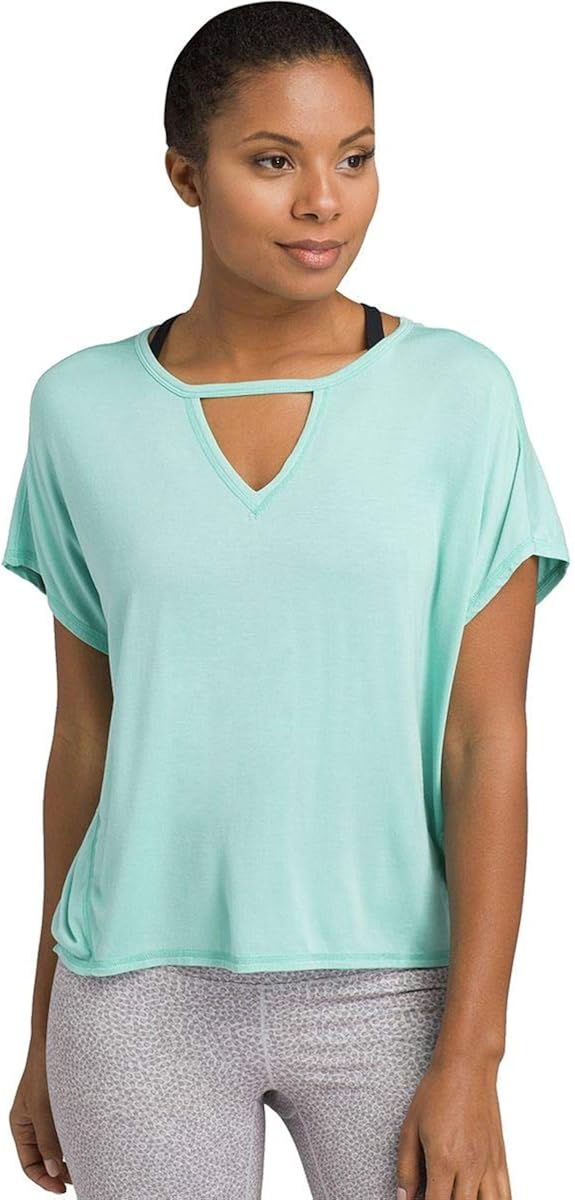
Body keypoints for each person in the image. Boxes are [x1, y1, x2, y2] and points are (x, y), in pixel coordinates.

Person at [3, 3, 570, 1198]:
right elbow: (85, 737)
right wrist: (43, 1027)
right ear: (184, 176)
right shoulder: (77, 410)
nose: (324, 202)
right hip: (135, 993)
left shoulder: (460, 396)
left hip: (393, 989)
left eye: (354, 158)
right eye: (273, 161)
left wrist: (473, 1055)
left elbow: (485, 738)